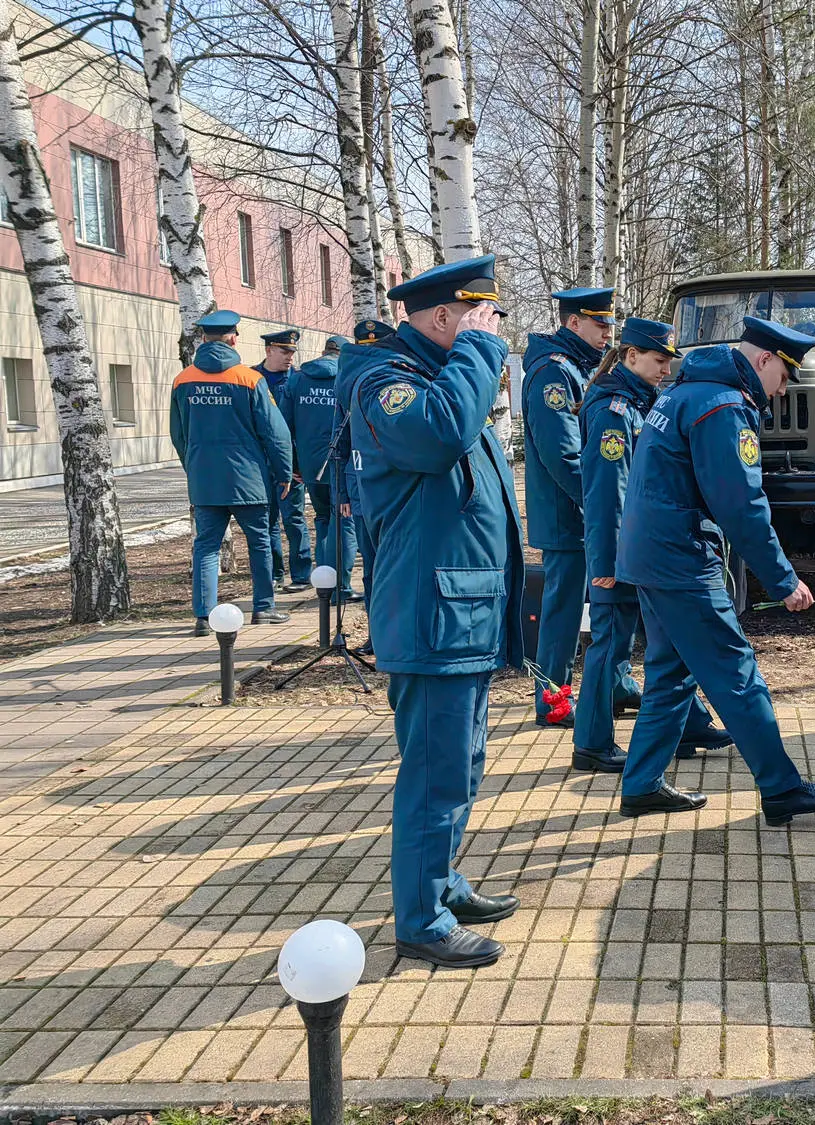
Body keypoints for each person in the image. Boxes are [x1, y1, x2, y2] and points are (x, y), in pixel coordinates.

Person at [344, 256, 524, 970]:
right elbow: (441, 435)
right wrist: (478, 350)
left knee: (462, 763)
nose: (493, 332)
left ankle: (442, 883)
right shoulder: (386, 383)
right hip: (431, 615)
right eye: (481, 318)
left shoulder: (444, 378)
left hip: (464, 613)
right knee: (433, 775)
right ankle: (420, 919)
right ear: (444, 316)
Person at [616, 316, 815, 826]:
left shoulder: (686, 391)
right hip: (681, 559)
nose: (782, 390)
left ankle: (641, 785)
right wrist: (784, 579)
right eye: (783, 376)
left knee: (671, 675)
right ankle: (782, 788)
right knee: (737, 674)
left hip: (652, 555)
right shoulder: (723, 406)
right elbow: (741, 505)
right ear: (763, 359)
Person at [572, 317, 732, 772]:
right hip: (621, 551)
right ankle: (591, 743)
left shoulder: (643, 403)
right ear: (631, 356)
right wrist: (606, 562)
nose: (666, 369)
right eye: (659, 360)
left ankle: (689, 724)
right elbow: (606, 492)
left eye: (669, 361)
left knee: (669, 639)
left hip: (644, 550)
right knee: (610, 645)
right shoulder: (613, 411)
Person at [521, 286, 638, 725]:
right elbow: (562, 454)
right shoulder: (553, 373)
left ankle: (616, 685)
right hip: (569, 513)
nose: (608, 332)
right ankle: (553, 701)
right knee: (564, 613)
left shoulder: (583, 365)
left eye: (610, 323)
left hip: (590, 510)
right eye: (600, 323)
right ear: (573, 322)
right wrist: (597, 507)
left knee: (614, 601)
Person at [169, 310, 294, 635]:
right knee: (259, 542)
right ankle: (263, 608)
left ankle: (203, 617)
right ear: (234, 339)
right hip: (248, 478)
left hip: (205, 480)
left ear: (203, 339)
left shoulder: (183, 380)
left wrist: (194, 467)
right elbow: (275, 433)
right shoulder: (249, 379)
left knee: (206, 546)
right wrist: (284, 473)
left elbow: (178, 434)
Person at [281, 335, 358, 604]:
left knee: (323, 519)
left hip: (309, 465)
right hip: (343, 464)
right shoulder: (349, 378)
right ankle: (341, 588)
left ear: (324, 352)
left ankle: (325, 586)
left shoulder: (297, 379)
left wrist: (293, 464)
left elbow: (284, 426)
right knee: (344, 523)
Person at [336, 319, 396, 646]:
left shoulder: (402, 376)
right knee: (372, 568)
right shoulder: (348, 384)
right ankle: (377, 637)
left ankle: (397, 636)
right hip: (360, 489)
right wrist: (342, 493)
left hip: (398, 490)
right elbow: (339, 442)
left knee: (397, 565)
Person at [255, 328, 313, 593]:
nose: (290, 357)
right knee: (266, 521)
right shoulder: (252, 378)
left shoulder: (298, 380)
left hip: (290, 464)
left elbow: (303, 426)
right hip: (261, 463)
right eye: (284, 351)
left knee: (294, 518)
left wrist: (298, 464)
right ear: (269, 350)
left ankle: (301, 575)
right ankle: (274, 574)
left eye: (292, 352)